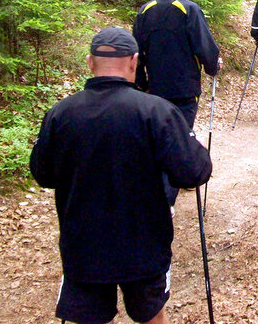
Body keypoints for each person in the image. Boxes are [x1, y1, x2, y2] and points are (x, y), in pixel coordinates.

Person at [30, 27, 212, 324]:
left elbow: (43, 173)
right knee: (151, 314)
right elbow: (194, 171)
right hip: (144, 247)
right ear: (134, 62)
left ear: (90, 62)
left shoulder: (61, 114)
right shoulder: (156, 112)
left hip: (83, 246)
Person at [133, 0, 221, 129]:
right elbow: (204, 47)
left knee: (156, 139)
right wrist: (214, 66)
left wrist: (142, 84)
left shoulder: (145, 11)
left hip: (154, 90)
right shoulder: (190, 10)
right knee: (181, 139)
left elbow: (136, 53)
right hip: (184, 92)